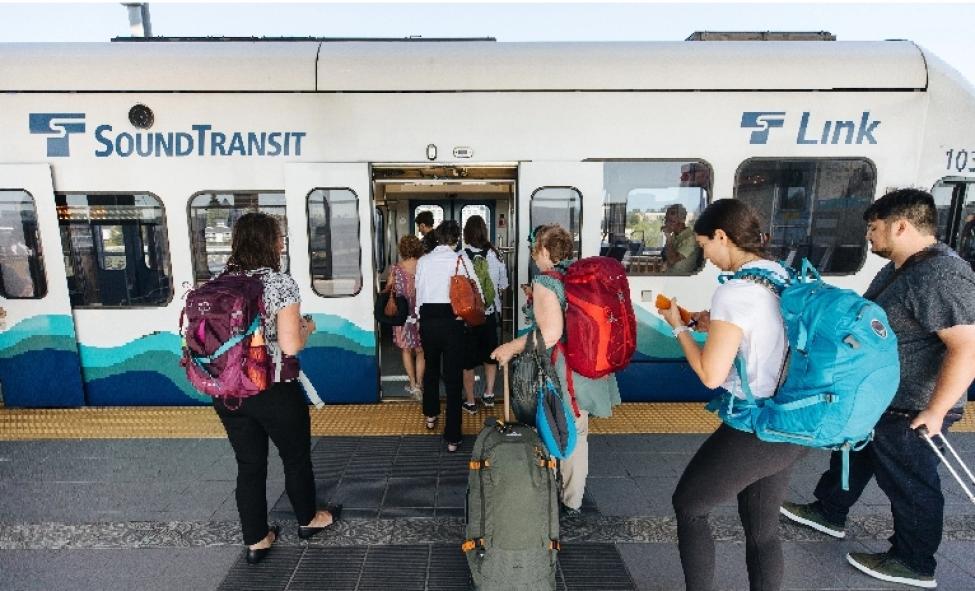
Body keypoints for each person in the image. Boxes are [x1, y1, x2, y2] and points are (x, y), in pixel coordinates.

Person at [780, 189, 975, 589]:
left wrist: (936, 411)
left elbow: (967, 345)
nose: (869, 238)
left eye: (874, 228)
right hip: (883, 397)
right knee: (858, 452)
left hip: (914, 405)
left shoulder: (941, 275)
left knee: (910, 482)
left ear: (900, 225)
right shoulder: (904, 267)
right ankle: (829, 510)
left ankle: (914, 561)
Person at [663, 199, 807, 591]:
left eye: (704, 245)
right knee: (762, 529)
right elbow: (764, 332)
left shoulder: (735, 292)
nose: (704, 255)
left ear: (722, 236)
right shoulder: (781, 275)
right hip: (792, 420)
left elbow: (711, 375)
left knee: (689, 506)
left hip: (755, 426)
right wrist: (712, 324)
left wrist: (679, 328)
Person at [212, 213, 341, 565]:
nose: (283, 243)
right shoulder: (279, 284)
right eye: (279, 238)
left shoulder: (218, 282)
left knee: (249, 465)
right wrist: (308, 327)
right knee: (295, 457)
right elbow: (291, 346)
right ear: (268, 242)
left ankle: (257, 540)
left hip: (228, 391)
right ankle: (308, 519)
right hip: (272, 389)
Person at [490, 224, 620, 513]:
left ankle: (555, 498)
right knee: (577, 433)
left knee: (556, 430)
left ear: (546, 251)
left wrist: (510, 347)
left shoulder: (546, 282)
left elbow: (549, 333)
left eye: (536, 250)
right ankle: (573, 499)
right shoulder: (576, 276)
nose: (534, 256)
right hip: (584, 366)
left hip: (562, 373)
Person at [415, 220, 481, 452]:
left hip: (428, 319)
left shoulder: (424, 261)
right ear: (455, 240)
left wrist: (418, 318)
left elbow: (419, 292)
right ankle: (453, 437)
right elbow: (476, 291)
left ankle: (431, 415)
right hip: (453, 321)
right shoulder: (461, 260)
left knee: (431, 369)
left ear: (439, 238)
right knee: (453, 378)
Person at [461, 215, 509, 414]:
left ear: (466, 234)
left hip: (469, 317)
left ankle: (471, 402)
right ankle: (489, 394)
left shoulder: (461, 257)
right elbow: (504, 285)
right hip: (490, 315)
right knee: (491, 356)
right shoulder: (496, 255)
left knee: (468, 360)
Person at [391, 235, 425, 398]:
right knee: (420, 350)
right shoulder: (424, 266)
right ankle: (419, 383)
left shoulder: (396, 269)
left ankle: (412, 384)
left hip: (402, 314)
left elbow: (389, 288)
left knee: (406, 350)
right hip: (421, 314)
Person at [662, 203, 700, 274]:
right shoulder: (674, 235)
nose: (667, 224)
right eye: (666, 220)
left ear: (682, 221)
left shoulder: (690, 239)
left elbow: (672, 260)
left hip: (681, 280)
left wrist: (668, 238)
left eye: (671, 221)